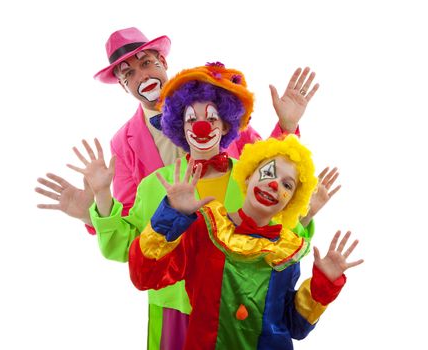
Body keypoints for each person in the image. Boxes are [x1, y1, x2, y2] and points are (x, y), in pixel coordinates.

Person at [69, 62, 335, 350]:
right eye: (190, 119)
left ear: (225, 124)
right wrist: (101, 197)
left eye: (212, 118)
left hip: (237, 311)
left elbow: (278, 230)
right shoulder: (154, 184)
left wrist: (287, 129)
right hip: (171, 308)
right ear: (180, 127)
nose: (202, 126)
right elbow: (126, 248)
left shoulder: (247, 180)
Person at [35, 27, 319, 229]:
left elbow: (267, 164)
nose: (142, 76)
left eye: (146, 63)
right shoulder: (123, 144)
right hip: (177, 266)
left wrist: (287, 125)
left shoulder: (215, 104)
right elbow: (133, 225)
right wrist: (95, 208)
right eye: (129, 74)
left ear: (163, 62)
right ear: (123, 87)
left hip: (239, 252)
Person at [129, 136, 363, 349]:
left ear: (291, 202)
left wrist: (321, 288)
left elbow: (295, 326)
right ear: (250, 174)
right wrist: (170, 214)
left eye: (287, 185)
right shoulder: (207, 228)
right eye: (269, 172)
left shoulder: (286, 251)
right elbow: (145, 276)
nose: (274, 185)